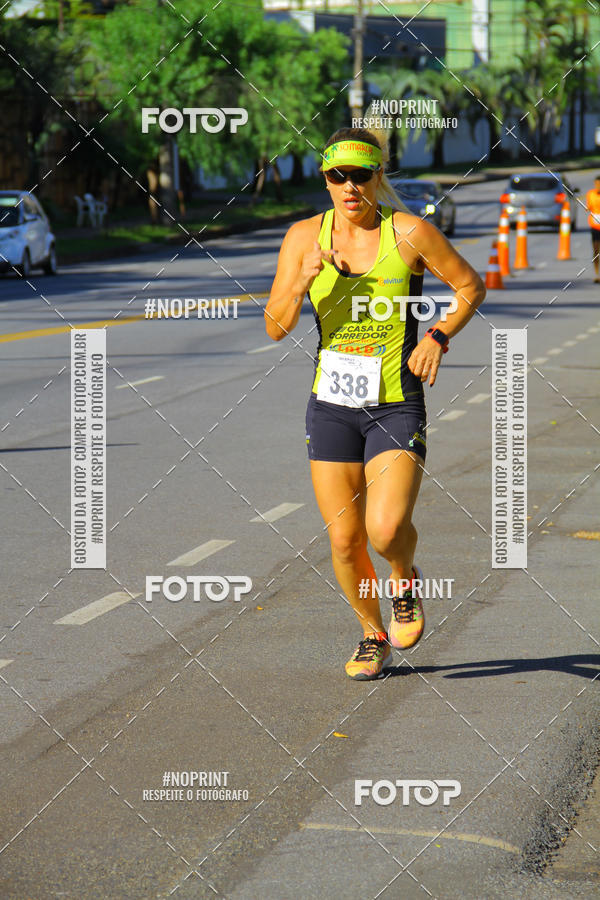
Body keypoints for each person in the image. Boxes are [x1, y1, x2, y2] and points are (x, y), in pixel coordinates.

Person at [265, 127, 486, 680]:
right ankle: (371, 634)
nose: (349, 186)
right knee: (344, 538)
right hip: (332, 405)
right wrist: (299, 285)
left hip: (394, 403)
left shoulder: (409, 233)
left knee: (385, 531)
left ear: (377, 177)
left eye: (360, 175)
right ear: (325, 179)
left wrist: (437, 336)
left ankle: (404, 579)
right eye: (337, 176)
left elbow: (470, 287)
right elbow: (275, 326)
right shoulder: (301, 238)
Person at [585, 174, 600, 283]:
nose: (598, 186)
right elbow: (588, 207)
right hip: (595, 225)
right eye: (596, 184)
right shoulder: (590, 194)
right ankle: (597, 274)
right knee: (596, 250)